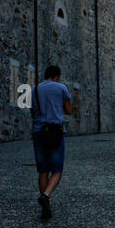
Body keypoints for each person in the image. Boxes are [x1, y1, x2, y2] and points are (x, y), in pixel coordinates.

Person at [33, 65, 72, 219]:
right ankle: (46, 196)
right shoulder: (61, 88)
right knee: (57, 170)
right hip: (55, 132)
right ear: (57, 76)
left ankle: (45, 204)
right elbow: (69, 110)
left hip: (38, 132)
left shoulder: (34, 89)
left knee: (43, 170)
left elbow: (32, 110)